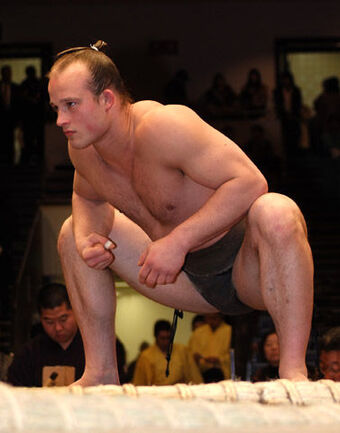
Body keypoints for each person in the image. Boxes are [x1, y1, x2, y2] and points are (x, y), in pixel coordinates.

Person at [47, 40, 314, 387]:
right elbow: (87, 199)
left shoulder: (165, 126)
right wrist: (88, 239)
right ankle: (101, 372)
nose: (60, 120)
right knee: (70, 234)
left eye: (70, 105)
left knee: (278, 210)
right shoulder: (81, 150)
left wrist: (178, 241)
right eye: (56, 107)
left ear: (107, 99)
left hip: (249, 270)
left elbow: (250, 182)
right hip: (181, 281)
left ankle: (293, 372)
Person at [7, 283, 84, 387]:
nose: (58, 328)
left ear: (76, 311)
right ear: (41, 319)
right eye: (49, 322)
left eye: (63, 319)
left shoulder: (94, 348)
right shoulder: (29, 354)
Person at [132, 319, 202, 385]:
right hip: (157, 394)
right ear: (155, 337)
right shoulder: (146, 356)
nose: (166, 342)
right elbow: (140, 382)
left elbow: (194, 376)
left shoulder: (183, 350)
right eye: (162, 338)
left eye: (168, 338)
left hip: (180, 391)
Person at [188, 313, 232, 382]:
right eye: (209, 318)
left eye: (214, 318)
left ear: (221, 316)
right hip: (202, 374)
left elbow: (234, 355)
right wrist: (196, 358)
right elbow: (190, 353)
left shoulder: (230, 331)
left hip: (222, 374)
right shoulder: (198, 332)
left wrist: (219, 359)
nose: (212, 321)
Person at [273, 71, 302, 159]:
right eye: (284, 79)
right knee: (284, 141)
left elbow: (298, 104)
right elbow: (277, 105)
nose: (286, 81)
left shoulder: (296, 90)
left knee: (294, 141)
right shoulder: (278, 91)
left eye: (287, 79)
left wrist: (294, 115)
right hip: (283, 119)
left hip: (294, 118)